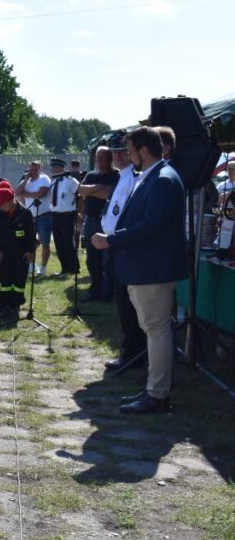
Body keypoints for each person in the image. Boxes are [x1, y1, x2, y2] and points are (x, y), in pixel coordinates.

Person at [92, 126, 188, 414]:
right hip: (145, 268)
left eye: (130, 150)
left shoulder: (163, 179)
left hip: (153, 270)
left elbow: (151, 226)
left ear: (144, 151)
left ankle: (157, 394)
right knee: (152, 329)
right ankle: (154, 388)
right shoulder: (153, 177)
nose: (128, 156)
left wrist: (112, 240)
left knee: (157, 330)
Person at [97, 133, 145, 370]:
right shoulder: (121, 177)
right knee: (122, 301)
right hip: (113, 245)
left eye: (122, 152)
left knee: (127, 303)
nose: (117, 156)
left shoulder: (132, 178)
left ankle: (132, 352)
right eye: (114, 152)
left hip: (120, 245)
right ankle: (130, 349)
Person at [0, 187, 36, 321]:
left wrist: (30, 250)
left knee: (19, 280)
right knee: (5, 280)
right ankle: (6, 303)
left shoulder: (25, 213)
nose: (0, 207)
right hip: (5, 252)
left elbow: (31, 234)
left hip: (21, 253)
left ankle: (16, 305)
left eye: (2, 204)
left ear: (11, 201)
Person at [78, 147, 120, 301]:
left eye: (103, 157)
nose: (100, 160)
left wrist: (92, 191)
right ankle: (95, 290)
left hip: (106, 223)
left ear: (110, 159)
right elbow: (81, 190)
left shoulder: (116, 175)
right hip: (91, 221)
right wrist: (99, 187)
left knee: (107, 259)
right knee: (92, 258)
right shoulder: (91, 175)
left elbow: (109, 194)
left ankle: (108, 292)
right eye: (97, 157)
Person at [16, 161, 52, 276]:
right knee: (30, 241)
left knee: (45, 242)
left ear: (40, 169)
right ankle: (31, 265)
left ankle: (43, 267)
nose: (34, 171)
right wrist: (26, 180)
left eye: (36, 169)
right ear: (29, 169)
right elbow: (17, 192)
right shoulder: (26, 180)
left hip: (44, 215)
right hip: (30, 216)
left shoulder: (44, 178)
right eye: (32, 168)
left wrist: (25, 194)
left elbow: (41, 194)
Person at [48, 158, 81, 275]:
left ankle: (74, 268)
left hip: (68, 215)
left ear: (62, 168)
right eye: (53, 168)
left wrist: (79, 212)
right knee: (59, 243)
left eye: (56, 168)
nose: (54, 170)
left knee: (68, 242)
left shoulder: (70, 180)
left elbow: (80, 194)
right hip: (55, 215)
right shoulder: (53, 181)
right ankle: (64, 268)